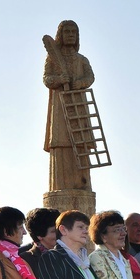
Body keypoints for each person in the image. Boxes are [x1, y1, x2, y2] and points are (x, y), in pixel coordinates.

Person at [43, 20, 95, 191]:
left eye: (74, 32)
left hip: (78, 104)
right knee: (60, 142)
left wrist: (78, 83)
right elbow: (46, 79)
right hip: (60, 105)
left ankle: (81, 183)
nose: (71, 35)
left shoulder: (82, 60)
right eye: (67, 32)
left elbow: (90, 77)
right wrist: (59, 80)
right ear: (61, 35)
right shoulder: (52, 58)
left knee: (81, 142)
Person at [20, 207, 61, 272]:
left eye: (61, 229)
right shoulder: (26, 260)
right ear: (39, 235)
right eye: (54, 231)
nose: (60, 234)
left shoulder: (69, 254)